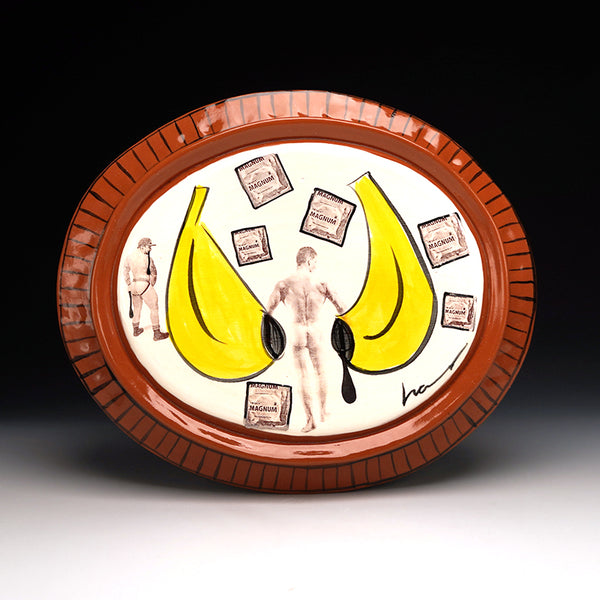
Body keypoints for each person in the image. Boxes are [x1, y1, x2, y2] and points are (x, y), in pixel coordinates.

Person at [267, 247, 345, 432]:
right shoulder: (322, 283)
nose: (316, 266)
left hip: (297, 333)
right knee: (321, 372)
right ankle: (323, 411)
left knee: (303, 376)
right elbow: (342, 308)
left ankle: (310, 420)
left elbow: (268, 310)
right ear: (309, 261)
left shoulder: (284, 284)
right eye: (315, 262)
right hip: (316, 331)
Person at [122, 237, 169, 341]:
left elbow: (125, 271)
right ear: (142, 247)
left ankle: (136, 330)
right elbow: (154, 273)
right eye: (149, 247)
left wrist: (129, 283)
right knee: (154, 307)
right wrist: (151, 284)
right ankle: (157, 333)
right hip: (143, 284)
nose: (150, 249)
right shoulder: (148, 259)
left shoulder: (129, 257)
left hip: (134, 285)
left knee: (137, 308)